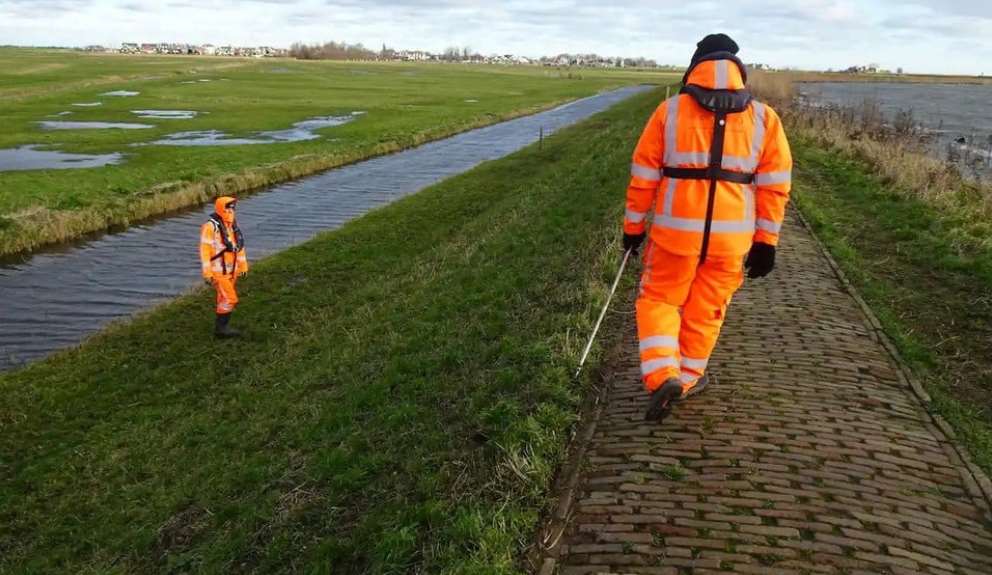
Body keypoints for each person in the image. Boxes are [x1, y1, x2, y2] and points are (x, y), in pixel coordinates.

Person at [622, 33, 792, 421]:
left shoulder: (669, 112)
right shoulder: (766, 119)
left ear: (694, 67)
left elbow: (643, 177)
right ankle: (686, 378)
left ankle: (663, 374)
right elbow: (775, 187)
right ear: (739, 71)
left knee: (659, 301)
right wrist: (767, 241)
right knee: (707, 310)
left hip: (673, 236)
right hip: (730, 242)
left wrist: (633, 228)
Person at [200, 196, 248, 338]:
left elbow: (239, 247)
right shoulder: (210, 227)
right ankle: (222, 328)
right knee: (230, 299)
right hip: (218, 272)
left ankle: (221, 328)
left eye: (232, 207)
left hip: (232, 270)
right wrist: (207, 273)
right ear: (221, 208)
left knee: (223, 299)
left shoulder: (232, 225)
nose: (231, 210)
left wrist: (243, 266)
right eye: (228, 207)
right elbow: (205, 251)